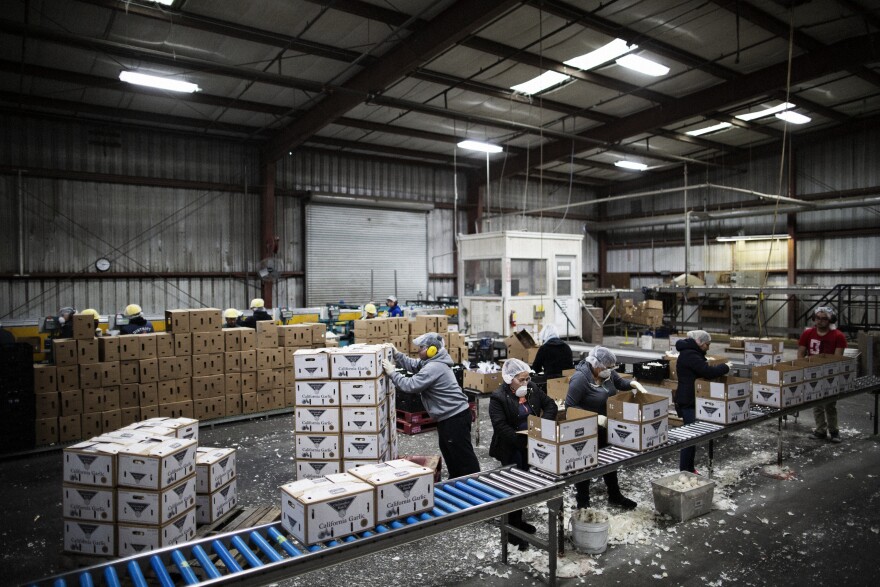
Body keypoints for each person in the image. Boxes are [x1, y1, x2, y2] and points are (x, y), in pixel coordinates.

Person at [383, 332, 480, 479]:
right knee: (450, 451)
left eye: (421, 347)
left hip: (454, 418)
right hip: (449, 416)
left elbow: (411, 385)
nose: (418, 350)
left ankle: (476, 483)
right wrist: (398, 356)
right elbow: (415, 365)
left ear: (432, 350)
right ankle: (456, 480)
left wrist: (393, 373)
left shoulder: (434, 367)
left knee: (462, 455)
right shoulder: (431, 362)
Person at [489, 358, 557, 550]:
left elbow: (550, 405)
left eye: (527, 379)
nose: (526, 383)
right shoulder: (498, 397)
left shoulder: (533, 389)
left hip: (531, 443)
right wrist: (521, 440)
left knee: (526, 483)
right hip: (511, 446)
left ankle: (518, 521)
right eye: (521, 380)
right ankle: (511, 528)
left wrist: (541, 428)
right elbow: (500, 426)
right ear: (509, 379)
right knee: (513, 486)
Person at [566, 346, 641, 510]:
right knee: (584, 464)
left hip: (607, 425)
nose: (610, 370)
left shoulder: (606, 373)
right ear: (595, 363)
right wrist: (594, 418)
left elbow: (620, 382)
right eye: (607, 367)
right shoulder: (580, 379)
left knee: (610, 462)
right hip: (586, 429)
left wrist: (632, 384)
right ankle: (583, 503)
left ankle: (615, 495)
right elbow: (570, 407)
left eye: (611, 367)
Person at [674, 330, 730, 472]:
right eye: (707, 344)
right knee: (690, 437)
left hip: (693, 400)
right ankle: (685, 471)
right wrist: (725, 367)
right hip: (688, 402)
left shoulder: (691, 352)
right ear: (699, 342)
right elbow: (708, 372)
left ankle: (689, 468)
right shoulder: (690, 354)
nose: (708, 347)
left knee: (693, 437)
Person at [799, 305, 848, 443]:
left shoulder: (838, 336)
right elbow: (801, 353)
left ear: (830, 320)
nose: (820, 321)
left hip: (830, 374)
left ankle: (834, 431)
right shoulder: (808, 334)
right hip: (812, 371)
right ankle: (820, 430)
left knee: (830, 404)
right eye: (818, 318)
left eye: (824, 319)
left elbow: (837, 358)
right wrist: (802, 368)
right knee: (816, 404)